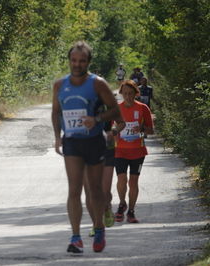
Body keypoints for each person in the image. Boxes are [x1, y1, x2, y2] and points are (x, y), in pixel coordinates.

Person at [51, 41, 124, 254]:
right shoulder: (59, 85)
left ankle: (99, 228)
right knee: (74, 189)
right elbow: (56, 112)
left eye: (82, 61)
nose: (77, 64)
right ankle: (75, 237)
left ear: (88, 62)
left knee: (94, 189)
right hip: (72, 141)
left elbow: (116, 112)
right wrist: (58, 137)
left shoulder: (97, 84)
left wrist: (97, 118)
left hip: (94, 141)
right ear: (69, 60)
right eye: (74, 60)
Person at [113, 80, 154, 224]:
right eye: (125, 94)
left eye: (131, 94)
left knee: (133, 181)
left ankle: (131, 211)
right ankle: (122, 203)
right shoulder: (116, 109)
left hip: (138, 151)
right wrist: (114, 132)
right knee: (121, 179)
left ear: (136, 94)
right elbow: (111, 129)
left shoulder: (143, 108)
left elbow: (151, 130)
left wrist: (142, 129)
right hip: (120, 150)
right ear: (121, 94)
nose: (128, 97)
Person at [84, 119, 125, 237]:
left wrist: (114, 131)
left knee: (105, 192)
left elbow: (122, 123)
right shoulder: (79, 102)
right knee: (90, 192)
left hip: (107, 148)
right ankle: (96, 225)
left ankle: (107, 207)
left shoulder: (107, 101)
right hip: (85, 148)